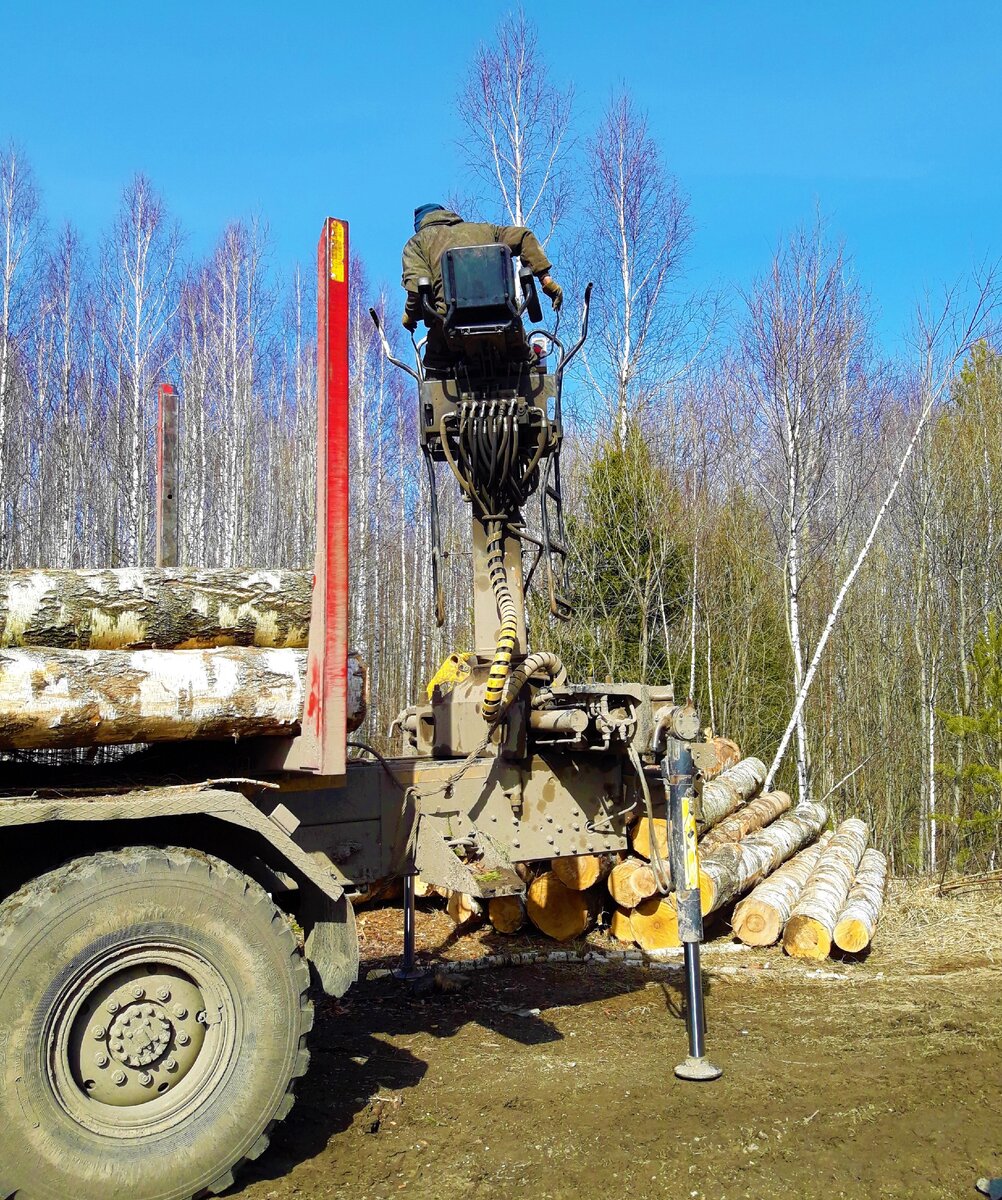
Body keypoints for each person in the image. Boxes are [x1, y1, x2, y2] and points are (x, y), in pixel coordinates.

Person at [401, 204, 563, 370]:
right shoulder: (486, 230)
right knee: (527, 364)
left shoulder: (417, 244)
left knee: (435, 368)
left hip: (450, 324)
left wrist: (410, 315)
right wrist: (545, 279)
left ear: (420, 226)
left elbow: (416, 289)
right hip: (504, 317)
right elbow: (524, 236)